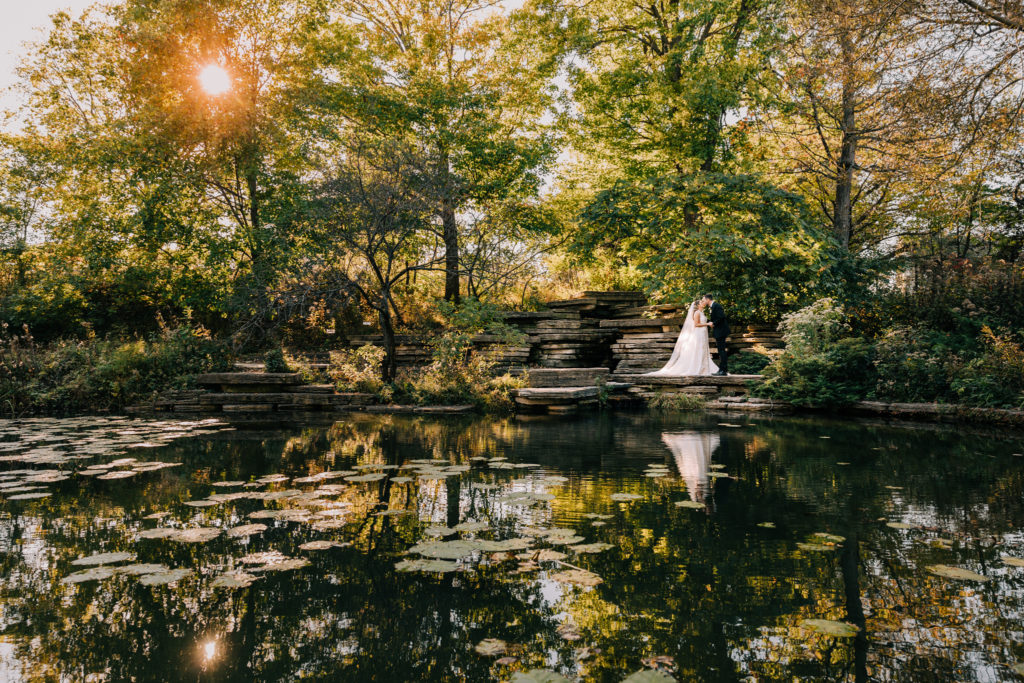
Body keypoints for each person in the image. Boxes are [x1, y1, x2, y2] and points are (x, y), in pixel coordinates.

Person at [646, 297, 719, 376]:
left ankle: (704, 367)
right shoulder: (697, 313)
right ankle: (698, 367)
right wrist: (707, 324)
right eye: (701, 302)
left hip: (703, 333)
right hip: (699, 333)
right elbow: (696, 324)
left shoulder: (702, 313)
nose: (703, 303)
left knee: (703, 349)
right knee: (699, 349)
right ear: (698, 305)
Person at [703, 294, 730, 376]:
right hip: (719, 331)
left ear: (708, 299)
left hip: (721, 331)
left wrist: (713, 323)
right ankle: (722, 370)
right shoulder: (713, 306)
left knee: (722, 351)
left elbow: (721, 317)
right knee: (721, 350)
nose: (703, 302)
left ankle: (723, 370)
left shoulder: (716, 306)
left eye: (704, 300)